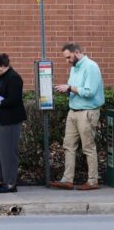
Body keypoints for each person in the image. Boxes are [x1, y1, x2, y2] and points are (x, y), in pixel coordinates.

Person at [50, 43, 104, 190]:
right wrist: (66, 89)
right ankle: (67, 179)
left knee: (88, 147)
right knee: (68, 146)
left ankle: (92, 181)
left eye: (69, 57)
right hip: (73, 111)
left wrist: (69, 88)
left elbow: (90, 92)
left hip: (87, 112)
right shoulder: (75, 67)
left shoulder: (91, 66)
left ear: (77, 52)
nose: (67, 61)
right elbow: (74, 88)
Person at [0, 53, 27, 194]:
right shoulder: (1, 78)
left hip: (9, 120)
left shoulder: (14, 78)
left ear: (1, 66)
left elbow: (14, 100)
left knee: (8, 152)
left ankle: (10, 182)